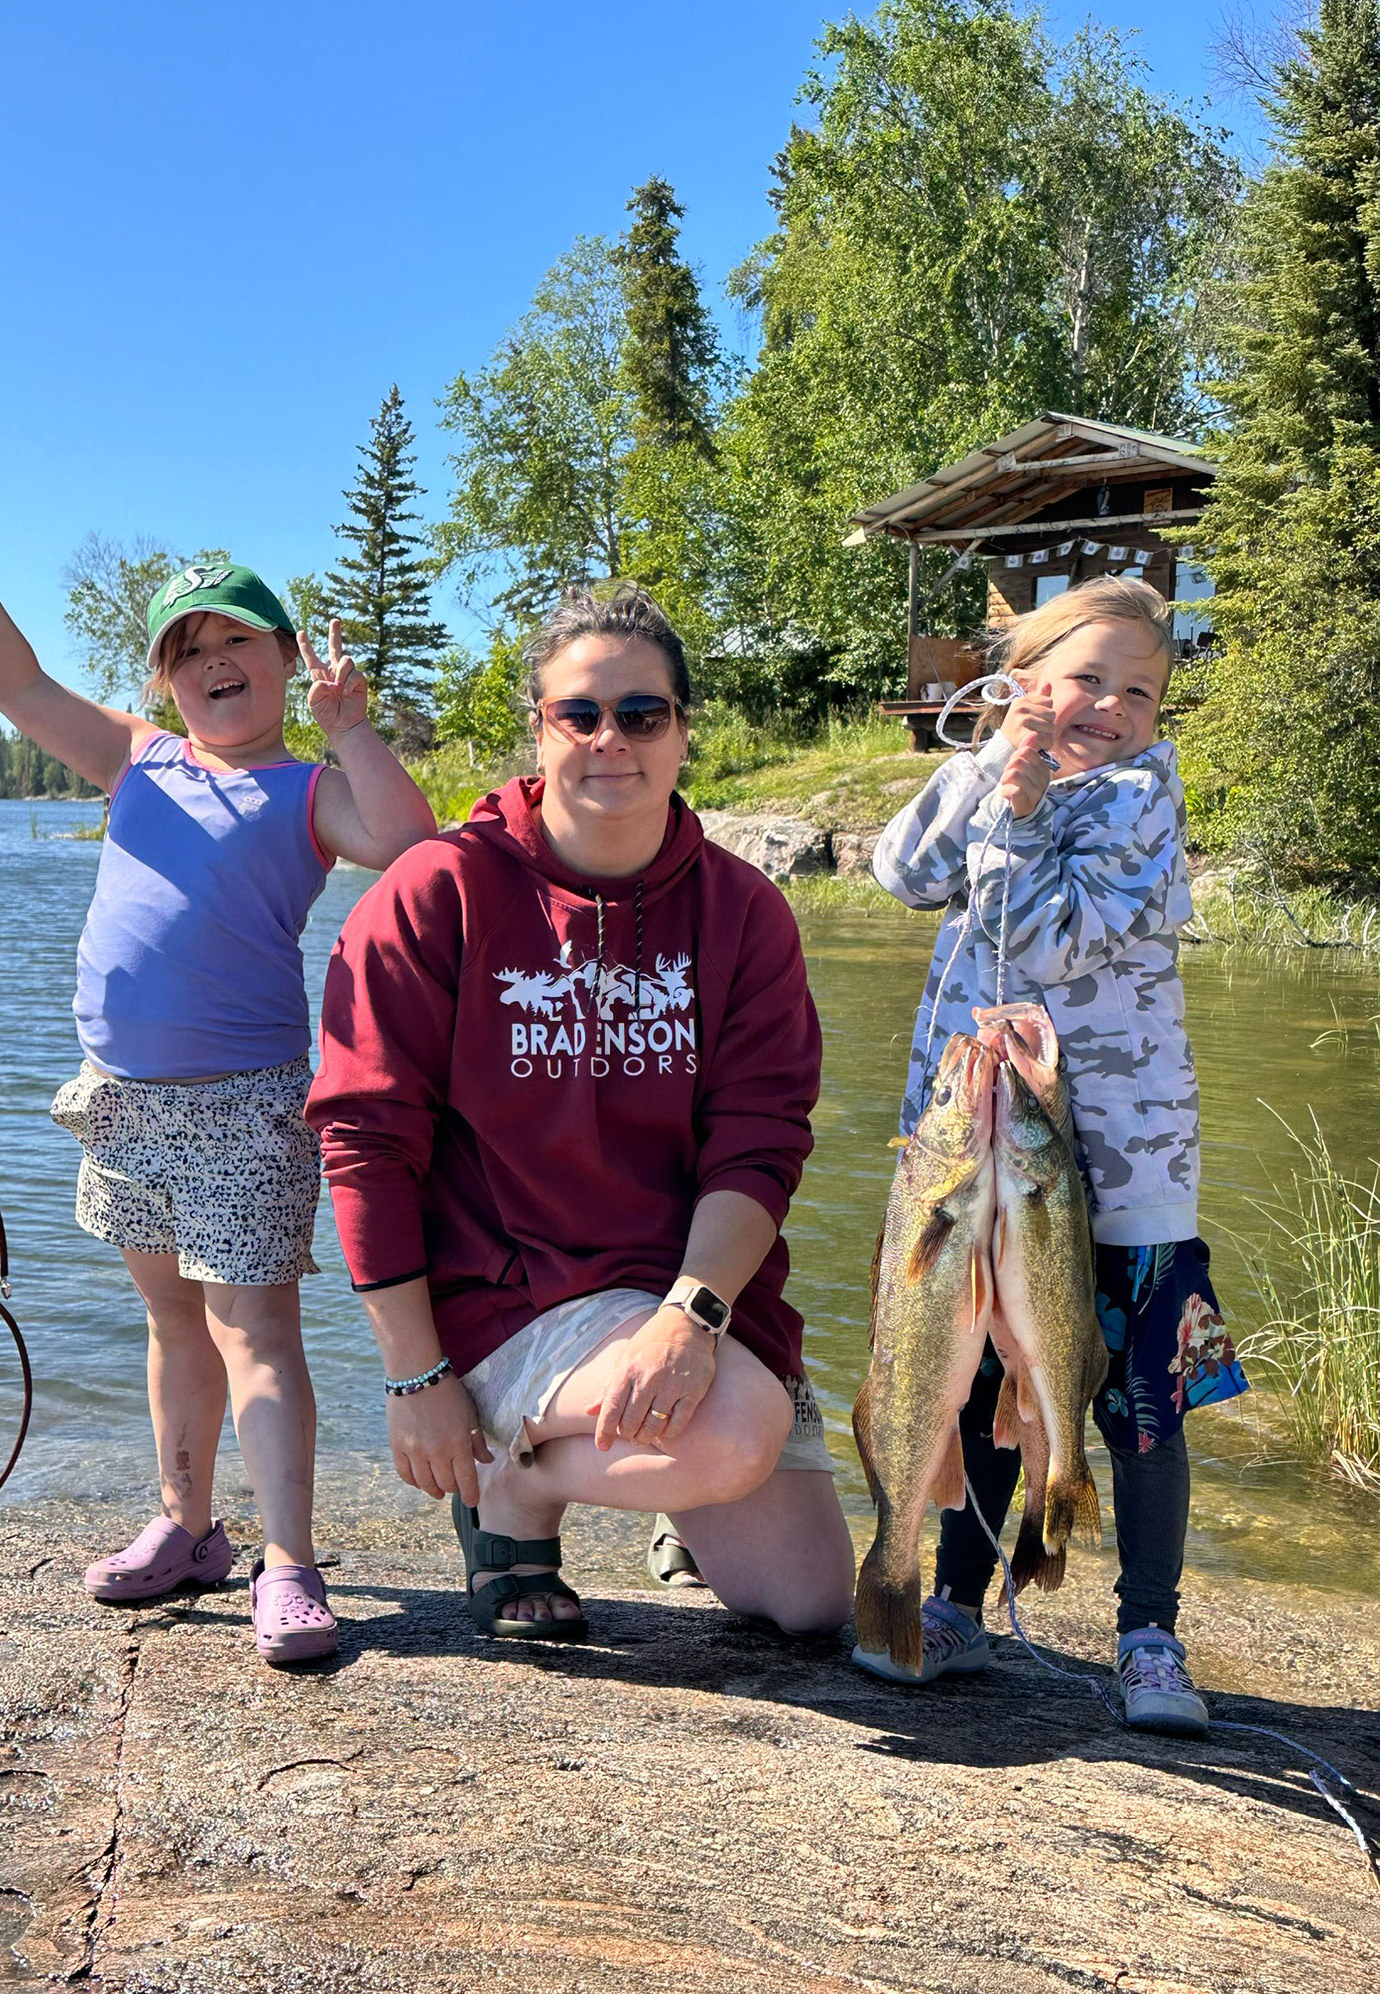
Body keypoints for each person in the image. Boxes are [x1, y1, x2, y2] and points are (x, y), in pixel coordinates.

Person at [0, 511, 435, 1665]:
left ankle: (290, 1565)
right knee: (171, 1320)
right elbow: (15, 680)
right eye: (186, 649)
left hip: (244, 1103)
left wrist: (353, 734)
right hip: (122, 1098)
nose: (211, 663)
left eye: (235, 639)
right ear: (167, 679)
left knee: (257, 1331)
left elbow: (406, 840)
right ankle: (188, 1524)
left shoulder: (306, 790)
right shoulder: (136, 757)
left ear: (289, 660)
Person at [306, 584, 854, 1644]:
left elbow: (762, 1138)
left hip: (685, 1294)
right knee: (740, 1427)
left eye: (644, 714)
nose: (614, 740)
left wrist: (690, 1316)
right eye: (582, 714)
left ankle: (561, 1461)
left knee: (810, 1600)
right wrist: (415, 1373)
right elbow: (365, 1141)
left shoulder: (744, 911)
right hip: (508, 1296)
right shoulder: (438, 890)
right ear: (539, 727)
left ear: (686, 731)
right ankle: (515, 1496)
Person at [862, 574, 1248, 1734]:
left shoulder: (1141, 799)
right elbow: (902, 871)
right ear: (1025, 681)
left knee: (1131, 1394)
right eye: (1086, 678)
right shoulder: (994, 772)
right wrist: (987, 774)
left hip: (1122, 1164)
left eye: (1140, 690)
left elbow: (1050, 935)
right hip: (976, 1146)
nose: (1112, 706)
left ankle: (1149, 1633)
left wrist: (1022, 818)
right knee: (970, 1365)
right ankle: (954, 1604)